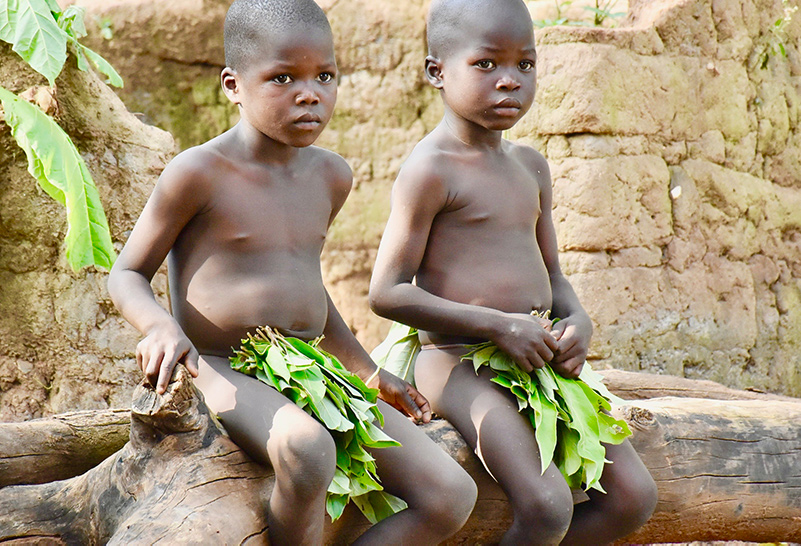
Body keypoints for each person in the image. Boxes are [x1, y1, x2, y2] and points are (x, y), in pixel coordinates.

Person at [107, 0, 477, 544]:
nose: (311, 93)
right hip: (218, 364)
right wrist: (162, 328)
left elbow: (309, 293)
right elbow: (127, 273)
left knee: (451, 495)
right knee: (307, 449)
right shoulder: (199, 173)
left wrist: (369, 374)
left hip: (308, 370)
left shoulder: (331, 175)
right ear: (233, 85)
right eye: (283, 77)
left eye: (325, 76)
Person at [368, 0, 658, 544]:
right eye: (486, 65)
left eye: (524, 65)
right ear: (437, 72)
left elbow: (555, 276)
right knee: (546, 505)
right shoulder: (430, 169)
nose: (509, 82)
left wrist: (578, 319)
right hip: (455, 362)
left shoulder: (531, 166)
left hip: (535, 360)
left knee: (633, 498)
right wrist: (498, 324)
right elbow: (386, 293)